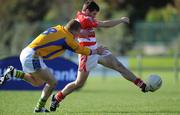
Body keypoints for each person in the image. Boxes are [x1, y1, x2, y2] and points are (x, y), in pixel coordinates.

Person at [50, 0, 151, 112]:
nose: (94, 17)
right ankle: (57, 98)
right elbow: (105, 24)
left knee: (118, 66)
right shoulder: (85, 19)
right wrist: (121, 20)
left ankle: (142, 85)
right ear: (87, 11)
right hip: (87, 54)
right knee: (78, 83)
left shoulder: (82, 16)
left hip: (97, 49)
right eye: (93, 14)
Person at [0, 19, 106, 113]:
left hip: (27, 52)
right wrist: (96, 51)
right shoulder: (67, 38)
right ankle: (39, 108)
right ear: (74, 30)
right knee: (52, 82)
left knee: (37, 82)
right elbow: (80, 50)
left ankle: (13, 72)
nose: (77, 36)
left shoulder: (58, 28)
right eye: (78, 33)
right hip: (33, 56)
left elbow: (66, 33)